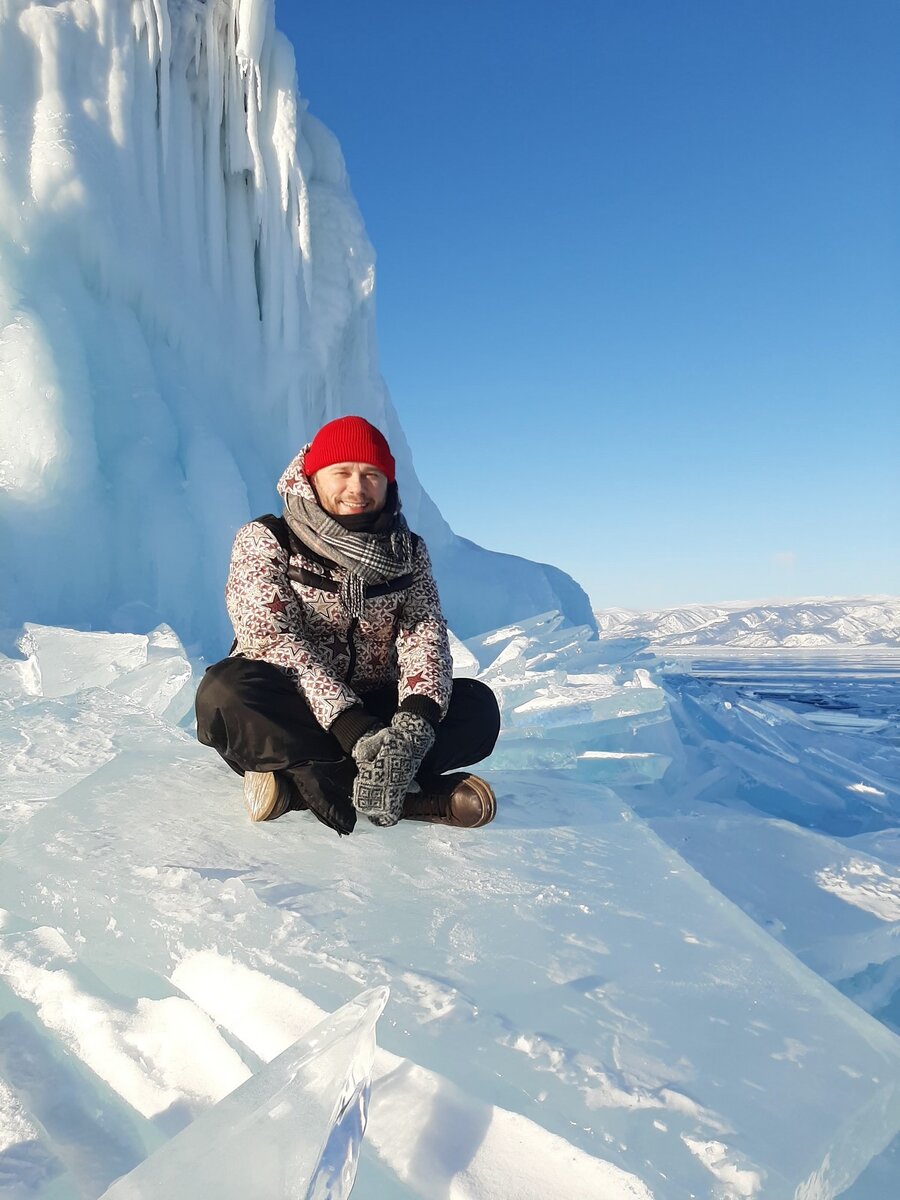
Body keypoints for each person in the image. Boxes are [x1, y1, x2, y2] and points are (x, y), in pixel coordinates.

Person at [195, 415, 501, 836]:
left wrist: (412, 727)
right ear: (313, 477)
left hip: (378, 705)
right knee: (225, 694)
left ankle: (307, 785)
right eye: (341, 472)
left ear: (388, 484)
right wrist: (355, 730)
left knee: (477, 708)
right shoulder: (268, 538)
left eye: (371, 474)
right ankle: (410, 796)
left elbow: (423, 631)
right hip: (295, 710)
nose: (356, 488)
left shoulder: (409, 551)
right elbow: (268, 636)